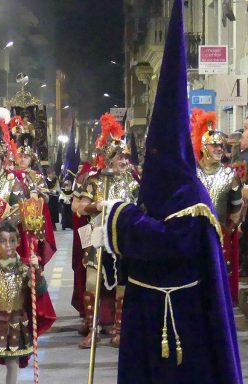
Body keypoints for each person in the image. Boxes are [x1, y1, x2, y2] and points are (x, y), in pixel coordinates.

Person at [101, 2, 242, 382]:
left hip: (185, 315)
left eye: (156, 156)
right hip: (146, 310)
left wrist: (118, 215)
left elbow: (167, 241)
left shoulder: (191, 199)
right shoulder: (155, 193)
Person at [71, 113, 138, 348]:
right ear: (109, 158)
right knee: (92, 282)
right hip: (98, 236)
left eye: (126, 157)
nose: (124, 161)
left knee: (123, 281)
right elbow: (79, 208)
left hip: (123, 238)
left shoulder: (133, 182)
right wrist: (96, 206)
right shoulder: (94, 181)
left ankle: (119, 329)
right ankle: (93, 329)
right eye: (120, 157)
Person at [0, 221, 46, 384]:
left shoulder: (25, 268)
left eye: (12, 240)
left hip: (17, 322)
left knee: (13, 362)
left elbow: (40, 290)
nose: (8, 245)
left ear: (19, 242)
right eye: (2, 240)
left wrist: (36, 269)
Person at [190, 109, 242, 305]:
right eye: (215, 145)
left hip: (220, 235)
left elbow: (236, 209)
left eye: (221, 145)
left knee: (220, 282)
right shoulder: (192, 174)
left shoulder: (230, 175)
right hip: (194, 233)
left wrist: (226, 229)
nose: (219, 148)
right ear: (204, 147)